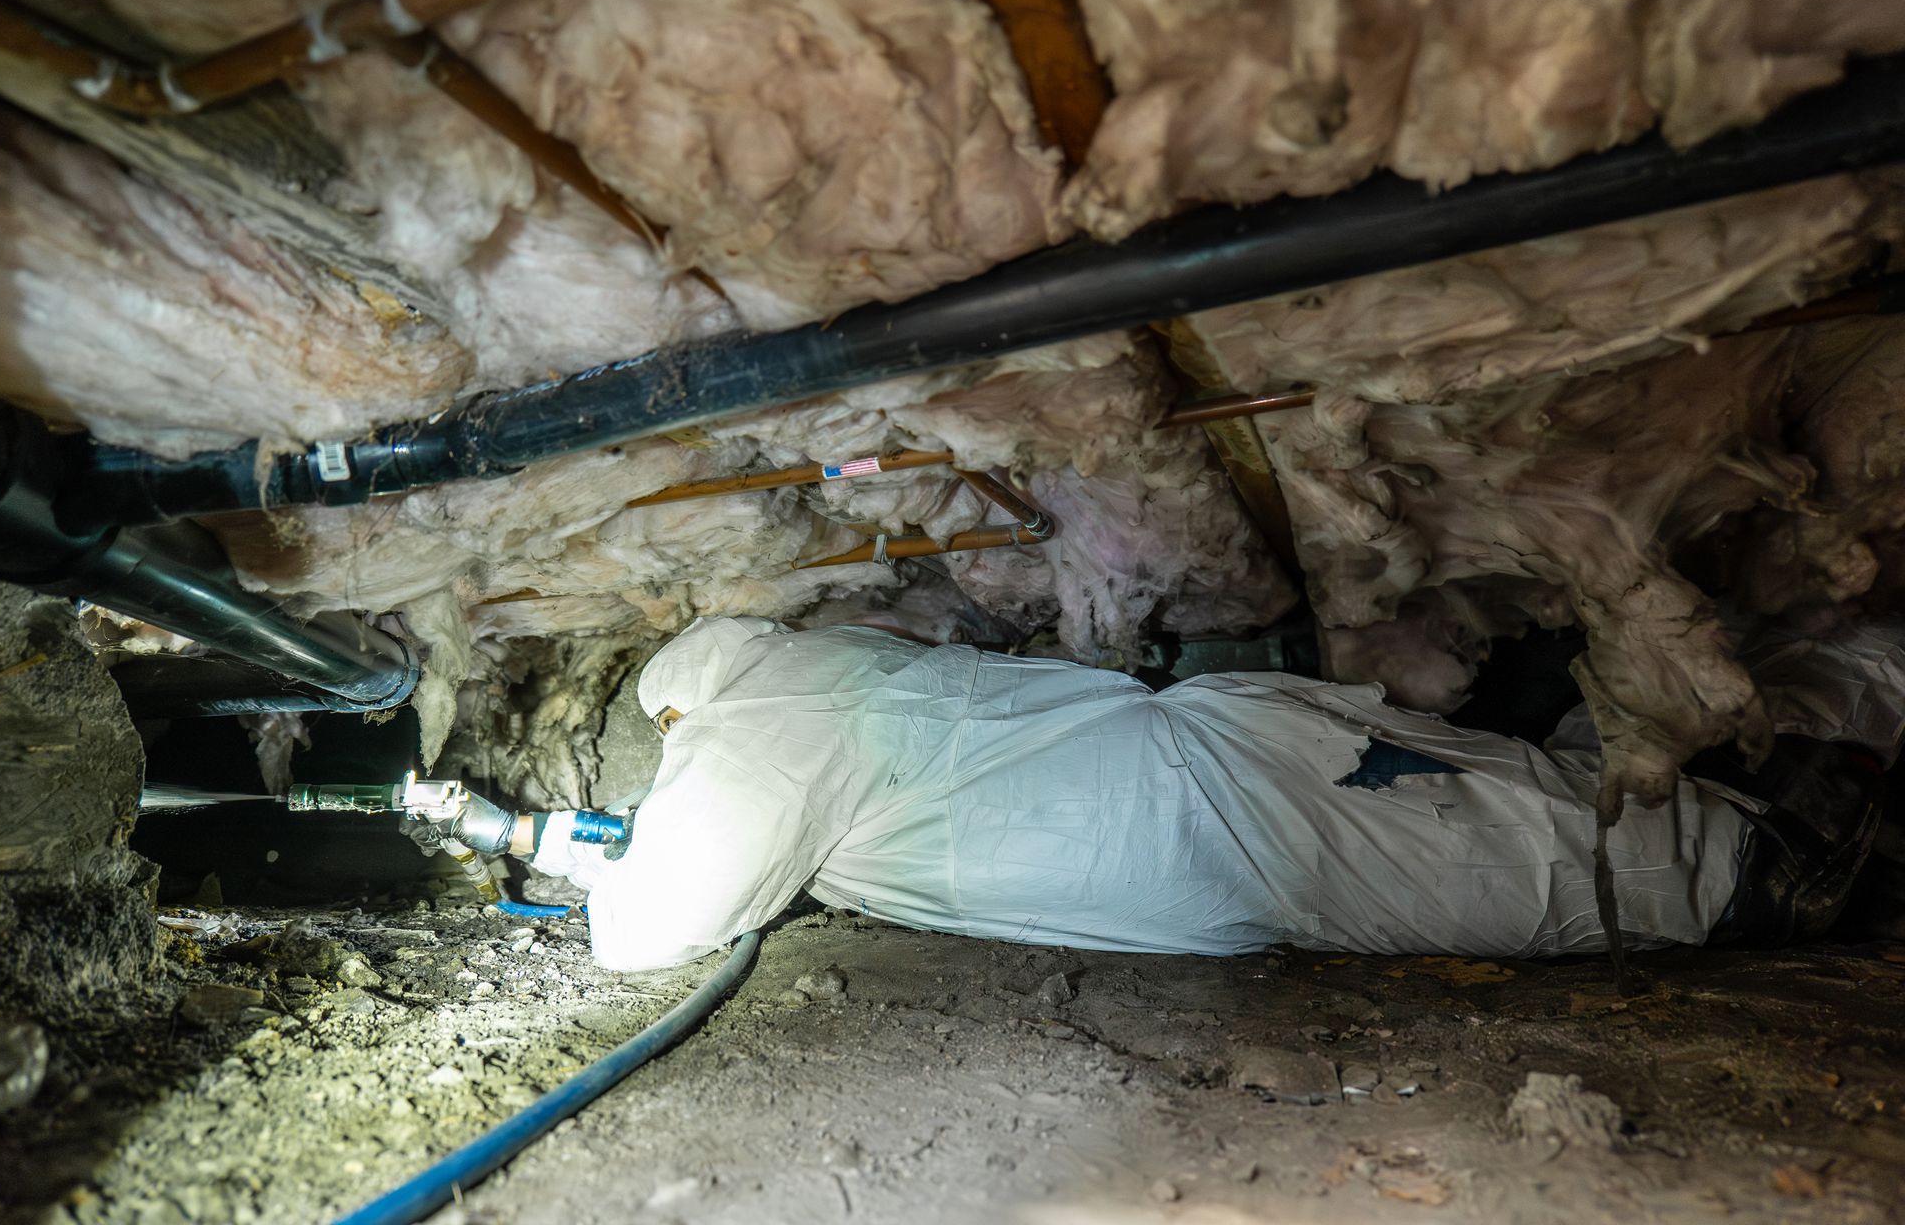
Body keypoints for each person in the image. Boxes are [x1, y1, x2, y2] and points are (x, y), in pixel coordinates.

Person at [428, 618, 1884, 972]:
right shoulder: (813, 672)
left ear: (678, 705)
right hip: (1218, 769)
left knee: (1506, 862)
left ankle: (1771, 885)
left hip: (1215, 820)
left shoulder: (757, 731)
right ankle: (1757, 840)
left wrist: (577, 861)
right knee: (1503, 800)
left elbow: (653, 932)